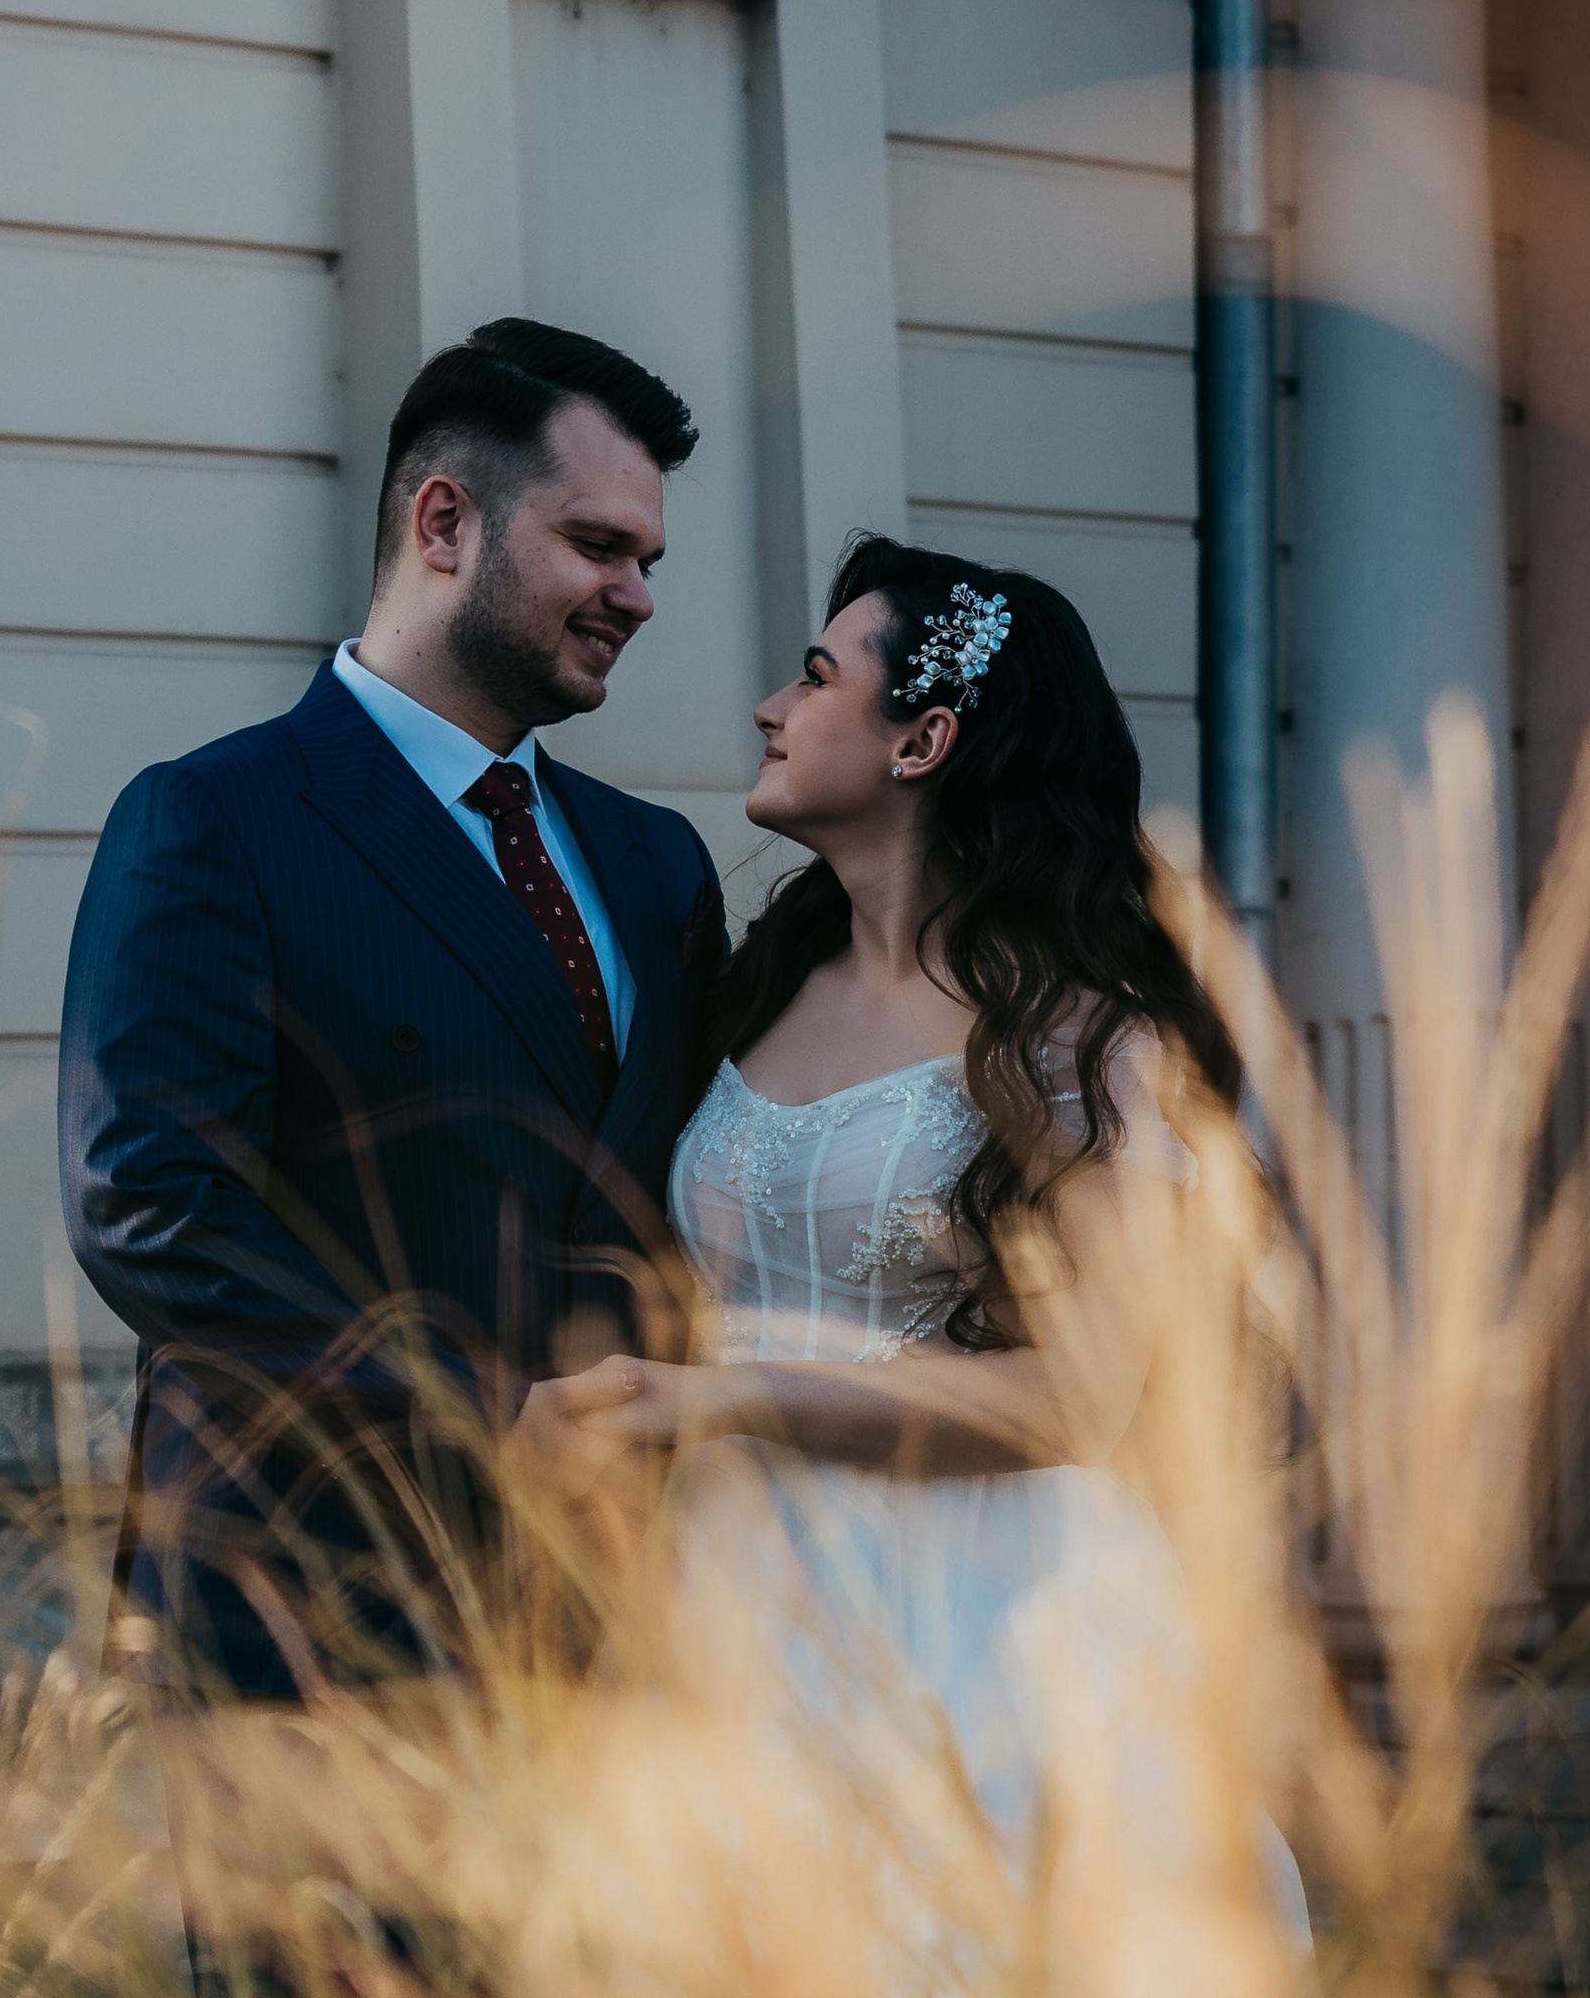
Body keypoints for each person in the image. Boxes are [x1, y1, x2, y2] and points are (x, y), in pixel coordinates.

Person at [515, 532, 1244, 1839]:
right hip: (736, 1592)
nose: (768, 708)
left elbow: (1087, 1395)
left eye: (813, 677)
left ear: (921, 744)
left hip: (978, 1620)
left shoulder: (1074, 1034)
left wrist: (723, 1396)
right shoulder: (756, 984)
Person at [60, 322, 726, 1699]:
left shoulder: (660, 863)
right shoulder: (215, 821)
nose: (638, 595)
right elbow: (154, 1207)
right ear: (444, 521)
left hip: (620, 1620)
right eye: (600, 546)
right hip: (315, 1613)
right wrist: (478, 1419)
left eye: (648, 561)